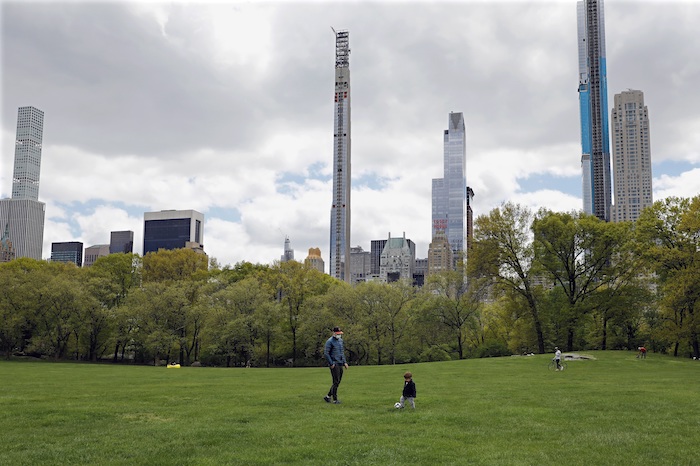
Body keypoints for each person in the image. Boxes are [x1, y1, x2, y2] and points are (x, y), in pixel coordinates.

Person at [323, 326, 348, 404]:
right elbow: (326, 353)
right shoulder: (329, 341)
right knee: (336, 381)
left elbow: (341, 352)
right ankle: (335, 399)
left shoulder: (340, 341)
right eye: (337, 333)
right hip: (334, 363)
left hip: (340, 362)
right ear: (333, 333)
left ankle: (327, 396)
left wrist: (345, 362)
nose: (339, 335)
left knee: (338, 381)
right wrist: (331, 363)